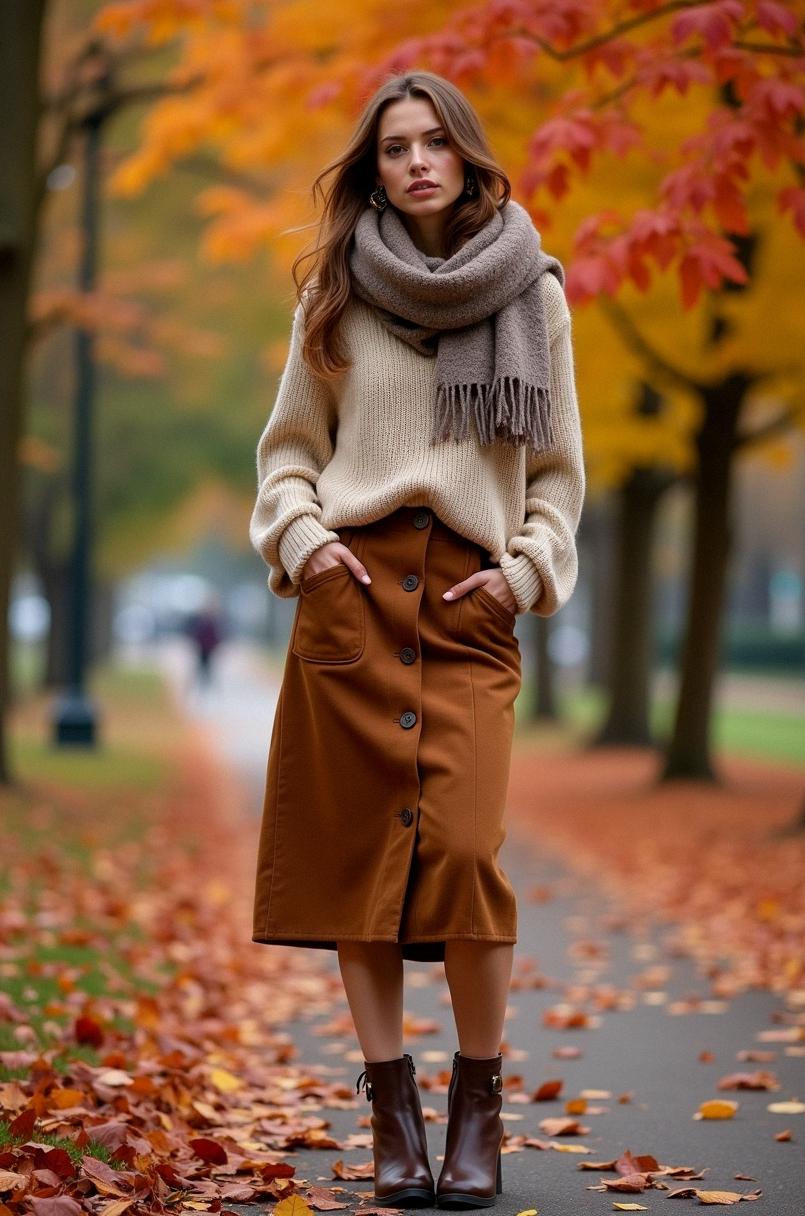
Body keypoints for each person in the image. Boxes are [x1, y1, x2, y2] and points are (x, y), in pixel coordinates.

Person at [249, 70, 585, 1209]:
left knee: (465, 855)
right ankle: (391, 1114)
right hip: (353, 596)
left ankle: (476, 1106)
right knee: (361, 870)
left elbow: (554, 477)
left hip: (470, 607)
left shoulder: (534, 298)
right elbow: (289, 452)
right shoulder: (333, 296)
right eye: (394, 147)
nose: (415, 162)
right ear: (374, 167)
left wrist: (523, 573)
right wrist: (307, 545)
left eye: (435, 142)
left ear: (468, 155)